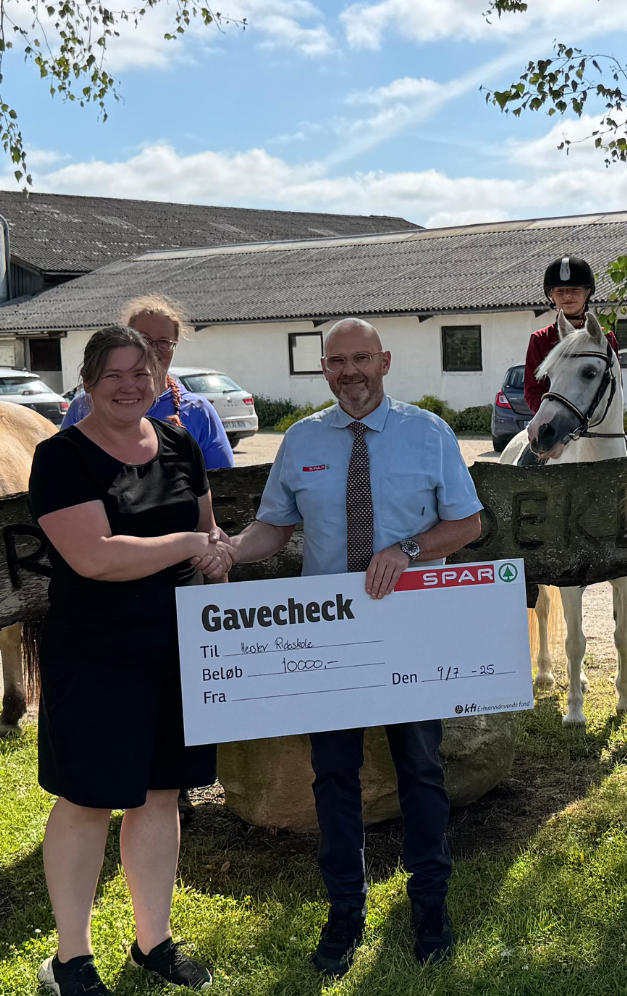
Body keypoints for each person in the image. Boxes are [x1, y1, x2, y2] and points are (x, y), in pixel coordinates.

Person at [226, 318, 484, 975]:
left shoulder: (429, 434)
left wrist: (409, 549)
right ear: (325, 370)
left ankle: (432, 907)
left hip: (410, 630)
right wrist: (228, 551)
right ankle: (345, 912)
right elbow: (273, 529)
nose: (350, 371)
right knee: (333, 776)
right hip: (328, 637)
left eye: (361, 357)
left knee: (421, 770)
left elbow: (469, 522)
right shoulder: (302, 440)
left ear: (385, 361)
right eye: (337, 361)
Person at [29, 325, 235, 996]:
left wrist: (217, 557)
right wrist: (187, 543)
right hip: (96, 654)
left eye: (141, 372)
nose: (129, 385)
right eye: (113, 374)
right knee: (87, 800)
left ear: (159, 376)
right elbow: (95, 556)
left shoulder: (178, 443)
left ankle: (154, 942)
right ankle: (70, 960)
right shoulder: (60, 457)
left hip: (176, 648)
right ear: (88, 382)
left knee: (161, 794)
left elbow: (207, 532)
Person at [60, 295, 235, 471]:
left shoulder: (198, 411)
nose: (152, 349)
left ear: (175, 345)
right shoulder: (85, 406)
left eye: (164, 342)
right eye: (144, 339)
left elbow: (225, 484)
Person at [522, 255, 624, 448]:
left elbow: (614, 385)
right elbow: (533, 389)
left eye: (575, 290)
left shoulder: (607, 339)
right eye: (560, 291)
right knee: (524, 464)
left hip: (597, 425)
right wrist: (549, 419)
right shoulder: (540, 339)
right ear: (551, 296)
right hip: (554, 424)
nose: (567, 296)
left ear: (588, 292)